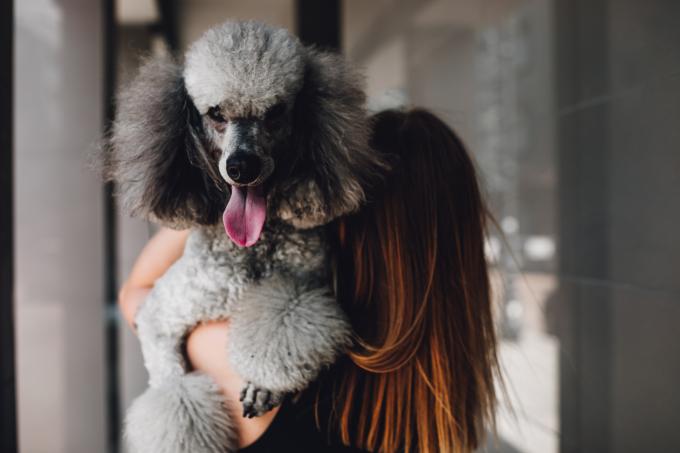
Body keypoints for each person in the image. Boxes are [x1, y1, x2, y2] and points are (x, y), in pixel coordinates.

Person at [119, 108, 500, 453]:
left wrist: (231, 198)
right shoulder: (449, 396)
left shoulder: (254, 359)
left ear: (341, 218)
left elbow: (138, 294)